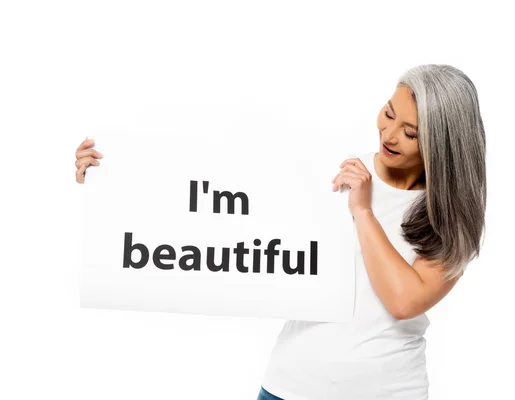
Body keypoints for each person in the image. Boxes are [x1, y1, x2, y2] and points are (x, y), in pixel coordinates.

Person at [74, 64, 486, 400]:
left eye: (411, 133)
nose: (389, 134)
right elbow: (213, 211)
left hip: (388, 390)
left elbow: (404, 300)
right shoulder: (332, 173)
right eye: (389, 113)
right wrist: (111, 179)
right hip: (291, 386)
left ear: (442, 144)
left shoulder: (450, 215)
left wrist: (362, 209)